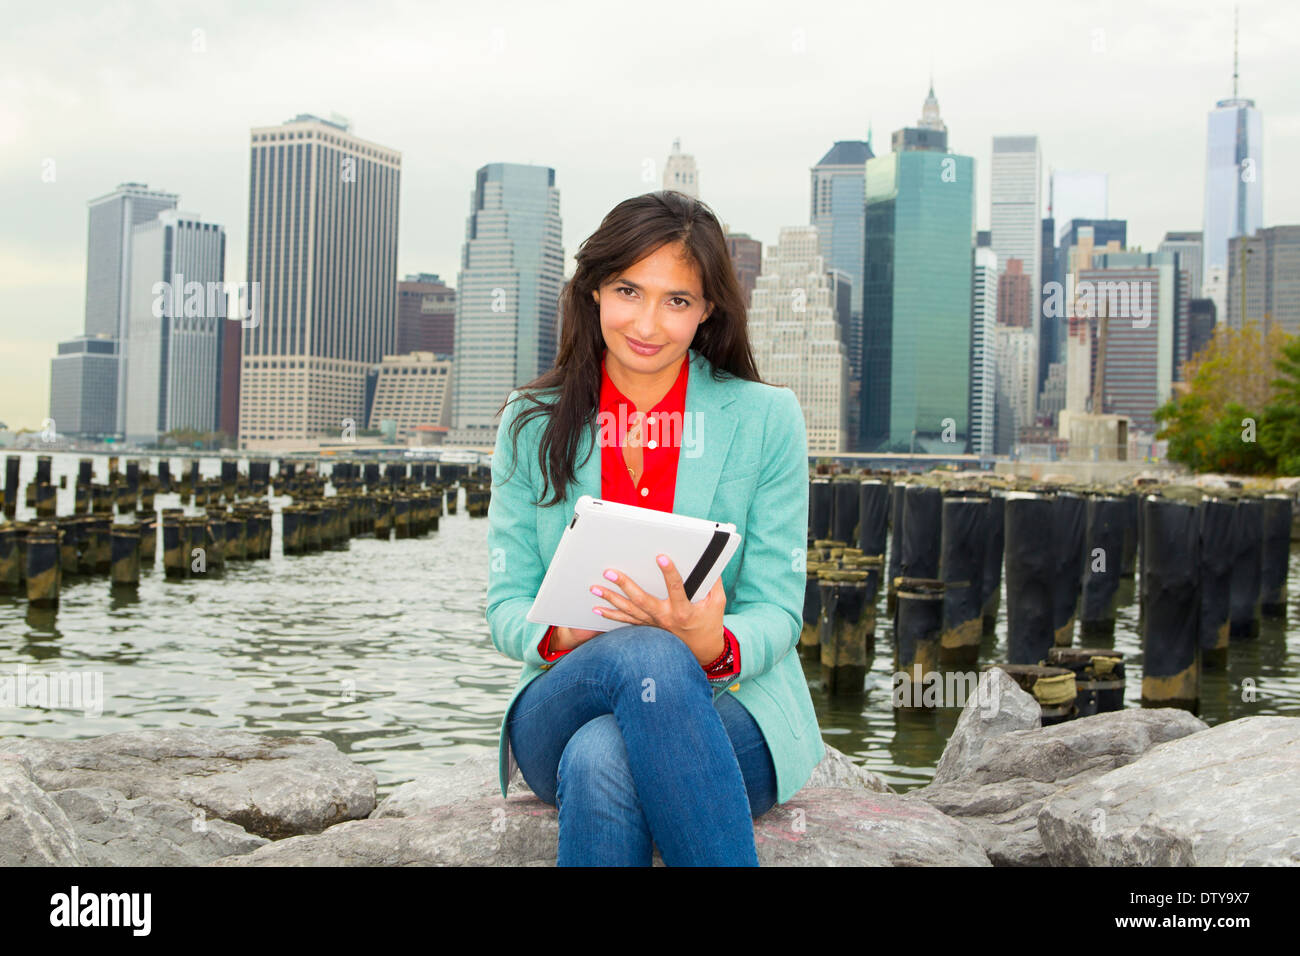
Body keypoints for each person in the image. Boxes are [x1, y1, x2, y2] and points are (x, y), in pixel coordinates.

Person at [486, 190, 823, 866]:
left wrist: (713, 643)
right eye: (628, 290)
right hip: (565, 696)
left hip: (732, 707)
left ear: (707, 312)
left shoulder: (766, 419)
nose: (647, 322)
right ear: (594, 293)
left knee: (603, 758)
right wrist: (564, 633)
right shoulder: (529, 422)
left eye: (677, 300)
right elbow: (505, 606)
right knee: (644, 654)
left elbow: (780, 610)